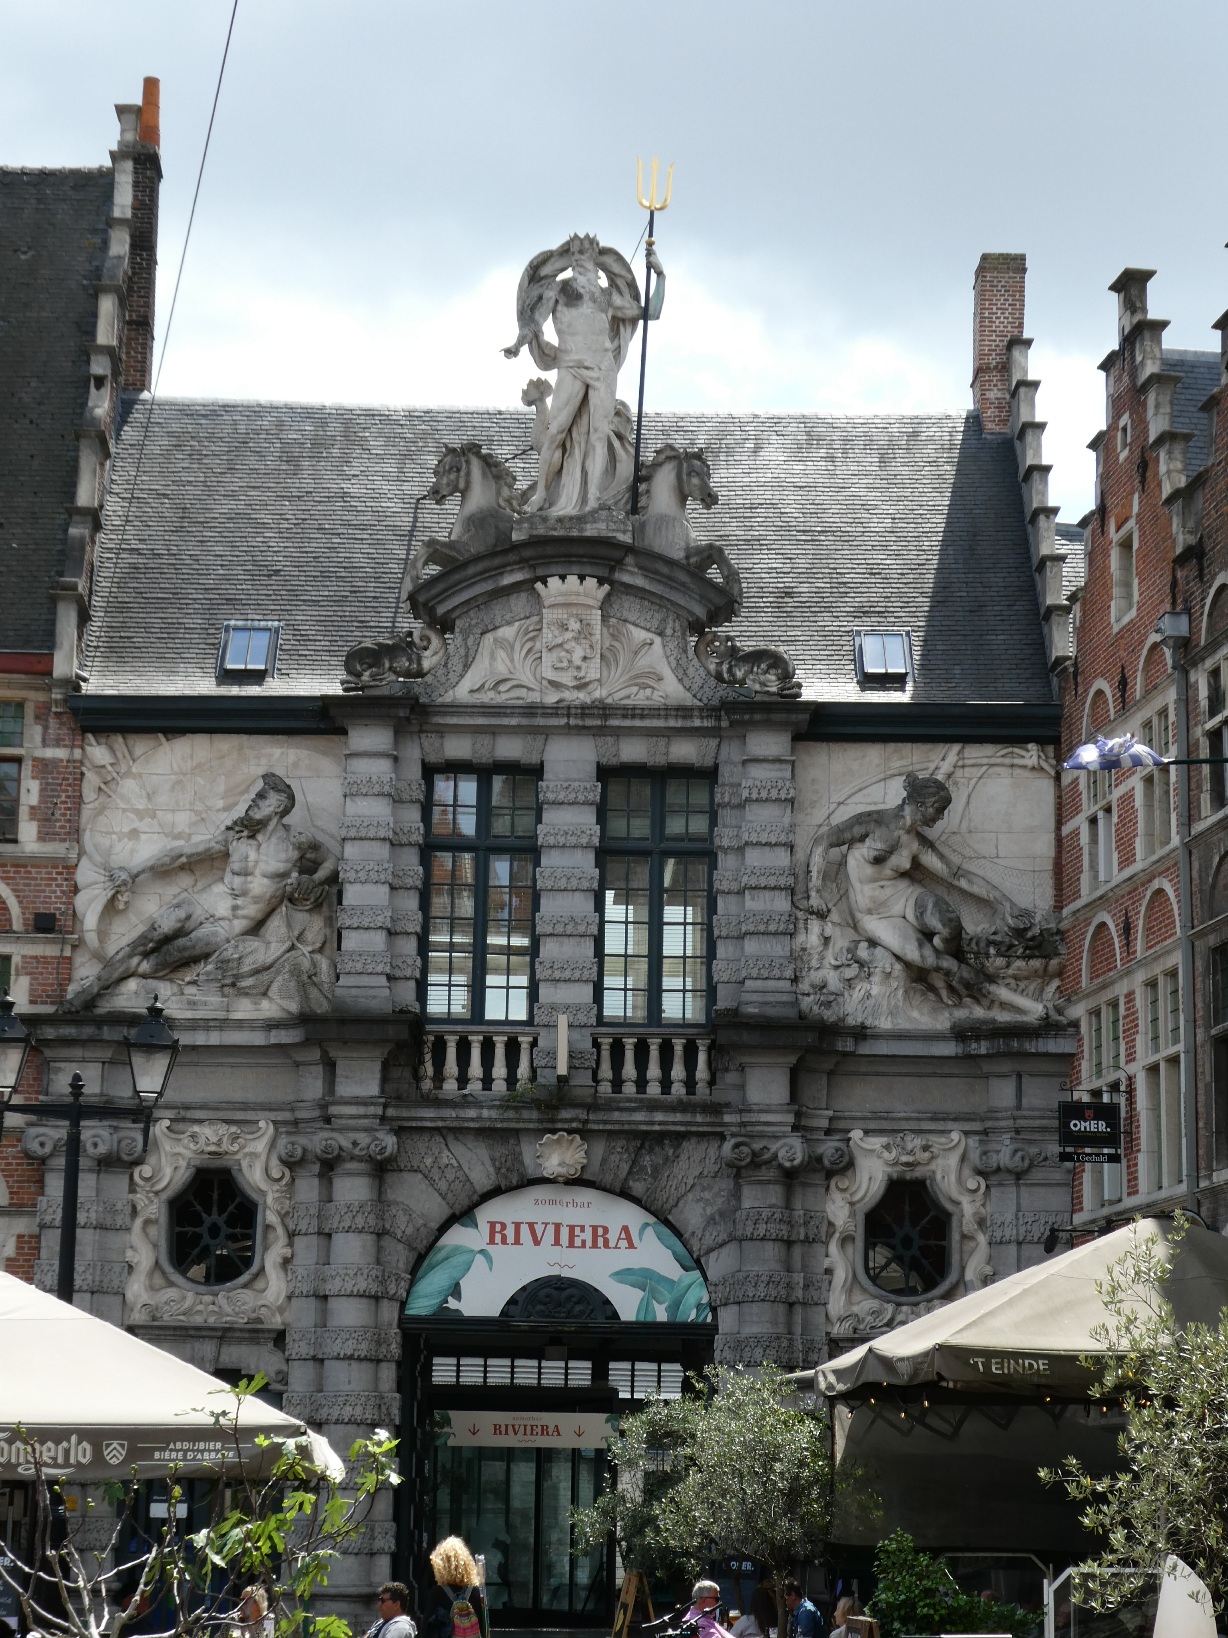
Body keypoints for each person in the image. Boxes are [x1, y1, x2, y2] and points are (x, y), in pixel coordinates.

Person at [64, 771, 337, 1011]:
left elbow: (332, 862)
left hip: (229, 925)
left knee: (165, 957)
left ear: (278, 806)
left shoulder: (297, 842)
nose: (254, 801)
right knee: (145, 939)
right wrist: (134, 871)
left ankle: (120, 980)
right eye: (255, 797)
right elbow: (183, 854)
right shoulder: (237, 836)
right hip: (204, 902)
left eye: (261, 798)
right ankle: (90, 991)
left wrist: (314, 880)